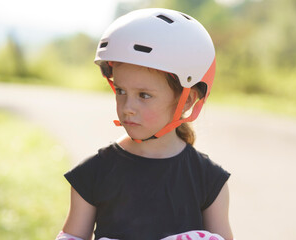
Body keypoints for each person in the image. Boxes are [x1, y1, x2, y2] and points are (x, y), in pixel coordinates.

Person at [56, 8, 233, 240]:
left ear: (187, 100)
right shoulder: (93, 174)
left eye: (144, 95)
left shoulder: (209, 181)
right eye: (120, 91)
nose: (127, 106)